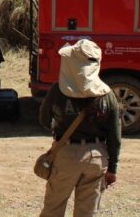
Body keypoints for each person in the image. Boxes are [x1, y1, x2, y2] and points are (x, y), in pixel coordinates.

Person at [38, 39, 121, 217]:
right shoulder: (108, 95)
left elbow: (45, 120)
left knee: (54, 207)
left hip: (67, 152)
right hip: (97, 157)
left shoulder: (57, 90)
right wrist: (113, 167)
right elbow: (115, 136)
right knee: (88, 212)